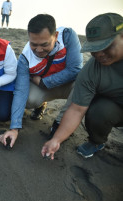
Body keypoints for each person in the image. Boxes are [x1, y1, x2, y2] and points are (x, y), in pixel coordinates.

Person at [42, 13, 123, 159]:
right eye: (94, 48)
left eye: (106, 46)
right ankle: (97, 142)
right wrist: (56, 140)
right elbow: (76, 109)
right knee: (98, 110)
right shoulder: (92, 70)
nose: (99, 54)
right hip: (116, 109)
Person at [0, 14, 83, 148]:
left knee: (83, 84)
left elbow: (75, 69)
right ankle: (40, 105)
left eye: (45, 44)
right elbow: (20, 92)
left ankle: (59, 125)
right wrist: (14, 128)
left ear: (55, 35)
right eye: (34, 44)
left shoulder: (67, 36)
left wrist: (44, 82)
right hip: (44, 88)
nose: (38, 50)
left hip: (66, 85)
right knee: (27, 98)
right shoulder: (24, 58)